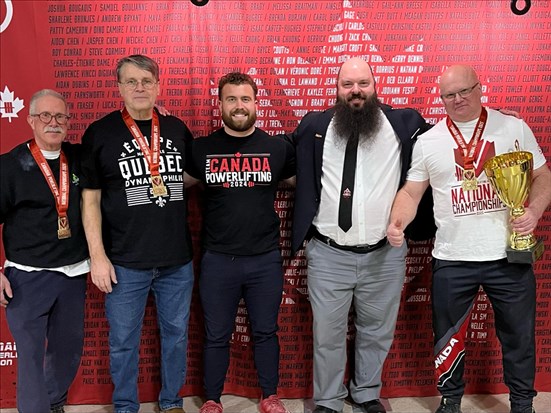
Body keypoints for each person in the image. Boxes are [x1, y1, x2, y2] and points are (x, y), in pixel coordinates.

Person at [386, 65, 551, 413]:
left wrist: (534, 211)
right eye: (449, 94)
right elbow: (412, 192)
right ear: (441, 98)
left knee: (519, 336)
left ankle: (523, 404)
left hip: (507, 254)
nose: (458, 99)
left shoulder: (513, 127)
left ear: (479, 88)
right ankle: (450, 401)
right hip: (452, 256)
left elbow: (542, 175)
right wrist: (397, 221)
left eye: (464, 90)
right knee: (447, 337)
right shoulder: (429, 141)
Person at [288, 57, 435, 413]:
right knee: (327, 335)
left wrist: (489, 119)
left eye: (363, 83)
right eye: (347, 84)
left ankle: (367, 393)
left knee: (377, 331)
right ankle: (327, 401)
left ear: (375, 85)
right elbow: (277, 150)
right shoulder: (314, 125)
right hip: (328, 253)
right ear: (337, 88)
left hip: (385, 253)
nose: (356, 91)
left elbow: (451, 138)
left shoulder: (405, 124)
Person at [80, 55, 194, 413]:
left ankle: (172, 402)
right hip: (124, 262)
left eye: (146, 80)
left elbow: (189, 178)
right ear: (119, 87)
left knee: (176, 337)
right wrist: (97, 256)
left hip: (177, 260)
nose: (139, 87)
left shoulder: (177, 129)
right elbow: (90, 200)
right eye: (131, 81)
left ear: (158, 85)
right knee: (123, 342)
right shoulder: (100, 133)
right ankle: (126, 406)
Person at [186, 72, 295, 413]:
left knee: (266, 331)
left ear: (256, 104)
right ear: (220, 104)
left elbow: (306, 187)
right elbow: (174, 191)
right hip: (218, 259)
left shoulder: (277, 148)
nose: (238, 105)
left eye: (245, 99)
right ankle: (212, 399)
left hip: (265, 259)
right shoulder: (201, 149)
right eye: (231, 99)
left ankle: (269, 395)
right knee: (216, 334)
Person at [0, 89, 90, 413]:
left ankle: (54, 402)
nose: (53, 122)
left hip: (73, 274)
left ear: (68, 121)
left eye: (60, 116)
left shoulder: (79, 158)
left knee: (67, 351)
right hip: (26, 277)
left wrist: (150, 114)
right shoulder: (8, 166)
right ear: (31, 120)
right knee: (31, 355)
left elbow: (114, 140)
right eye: (45, 116)